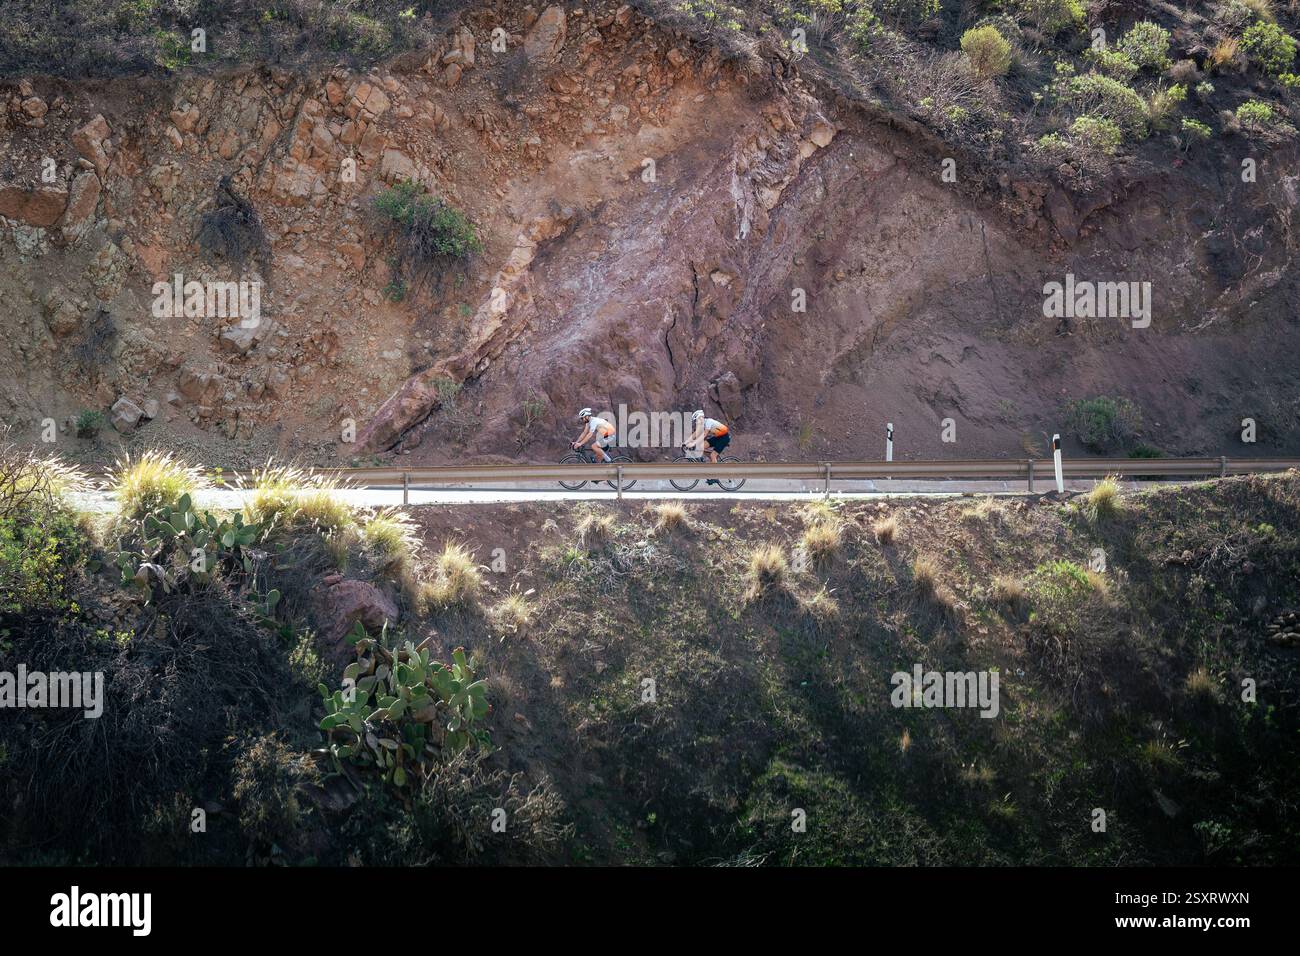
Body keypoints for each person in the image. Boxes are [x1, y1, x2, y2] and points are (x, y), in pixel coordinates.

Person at [685, 409, 730, 485]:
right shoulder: (702, 424)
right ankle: (712, 460)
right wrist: (686, 442)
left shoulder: (708, 422)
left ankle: (715, 476)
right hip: (718, 437)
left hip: (724, 437)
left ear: (700, 418)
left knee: (713, 455)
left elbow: (704, 434)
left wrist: (693, 443)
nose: (696, 422)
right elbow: (696, 433)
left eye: (696, 420)